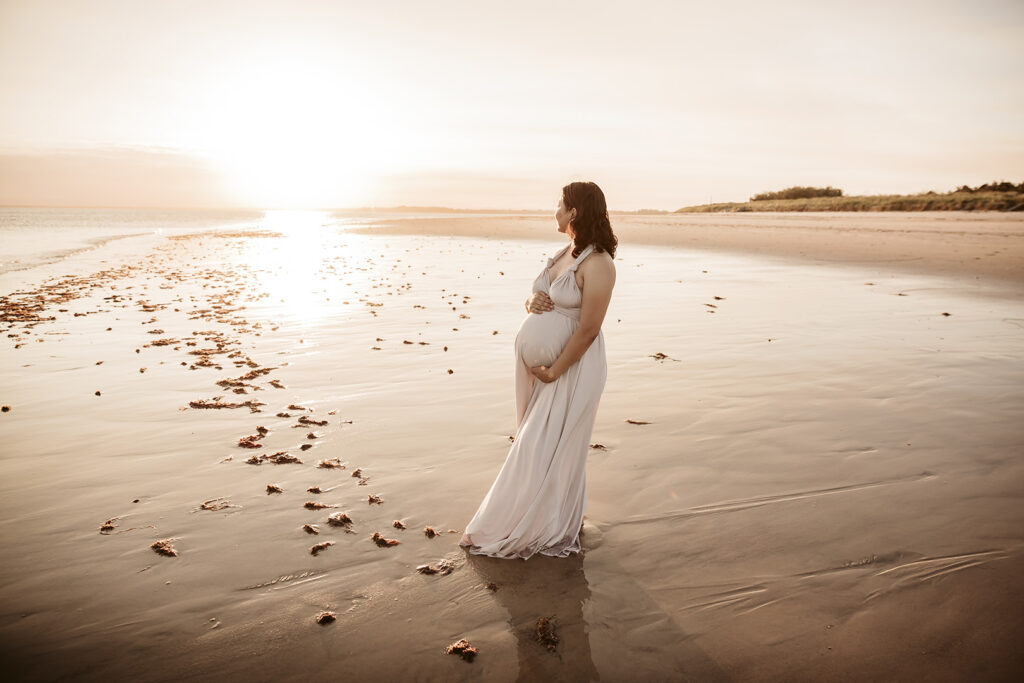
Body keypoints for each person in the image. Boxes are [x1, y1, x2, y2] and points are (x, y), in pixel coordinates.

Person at [459, 181, 617, 560]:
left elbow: (589, 328)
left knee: (547, 446)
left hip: (572, 369)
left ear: (574, 212)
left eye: (560, 204)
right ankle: (539, 513)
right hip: (543, 370)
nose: (555, 210)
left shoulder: (599, 264)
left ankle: (545, 524)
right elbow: (535, 298)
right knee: (535, 444)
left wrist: (556, 370)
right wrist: (531, 300)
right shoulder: (564, 253)